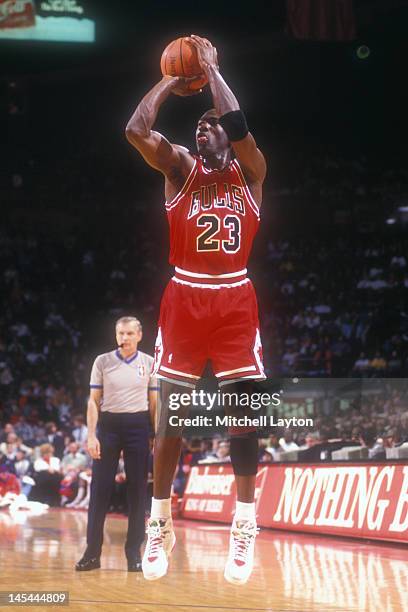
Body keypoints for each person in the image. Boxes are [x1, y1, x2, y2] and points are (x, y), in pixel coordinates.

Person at [126, 35, 266, 584]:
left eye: (209, 124)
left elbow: (240, 126)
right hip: (184, 296)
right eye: (198, 125)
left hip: (236, 298)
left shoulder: (251, 171)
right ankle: (160, 521)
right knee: (172, 423)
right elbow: (136, 131)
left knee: (244, 420)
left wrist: (209, 73)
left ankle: (246, 524)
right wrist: (170, 79)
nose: (201, 129)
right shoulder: (180, 171)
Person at [75, 316, 158, 572]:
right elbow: (93, 400)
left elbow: (154, 402)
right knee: (99, 491)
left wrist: (155, 432)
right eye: (120, 333)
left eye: (129, 334)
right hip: (108, 426)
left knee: (137, 493)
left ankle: (134, 553)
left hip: (138, 426)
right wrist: (91, 435)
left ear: (139, 335)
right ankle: (92, 553)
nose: (124, 338)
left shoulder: (150, 363)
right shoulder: (102, 361)